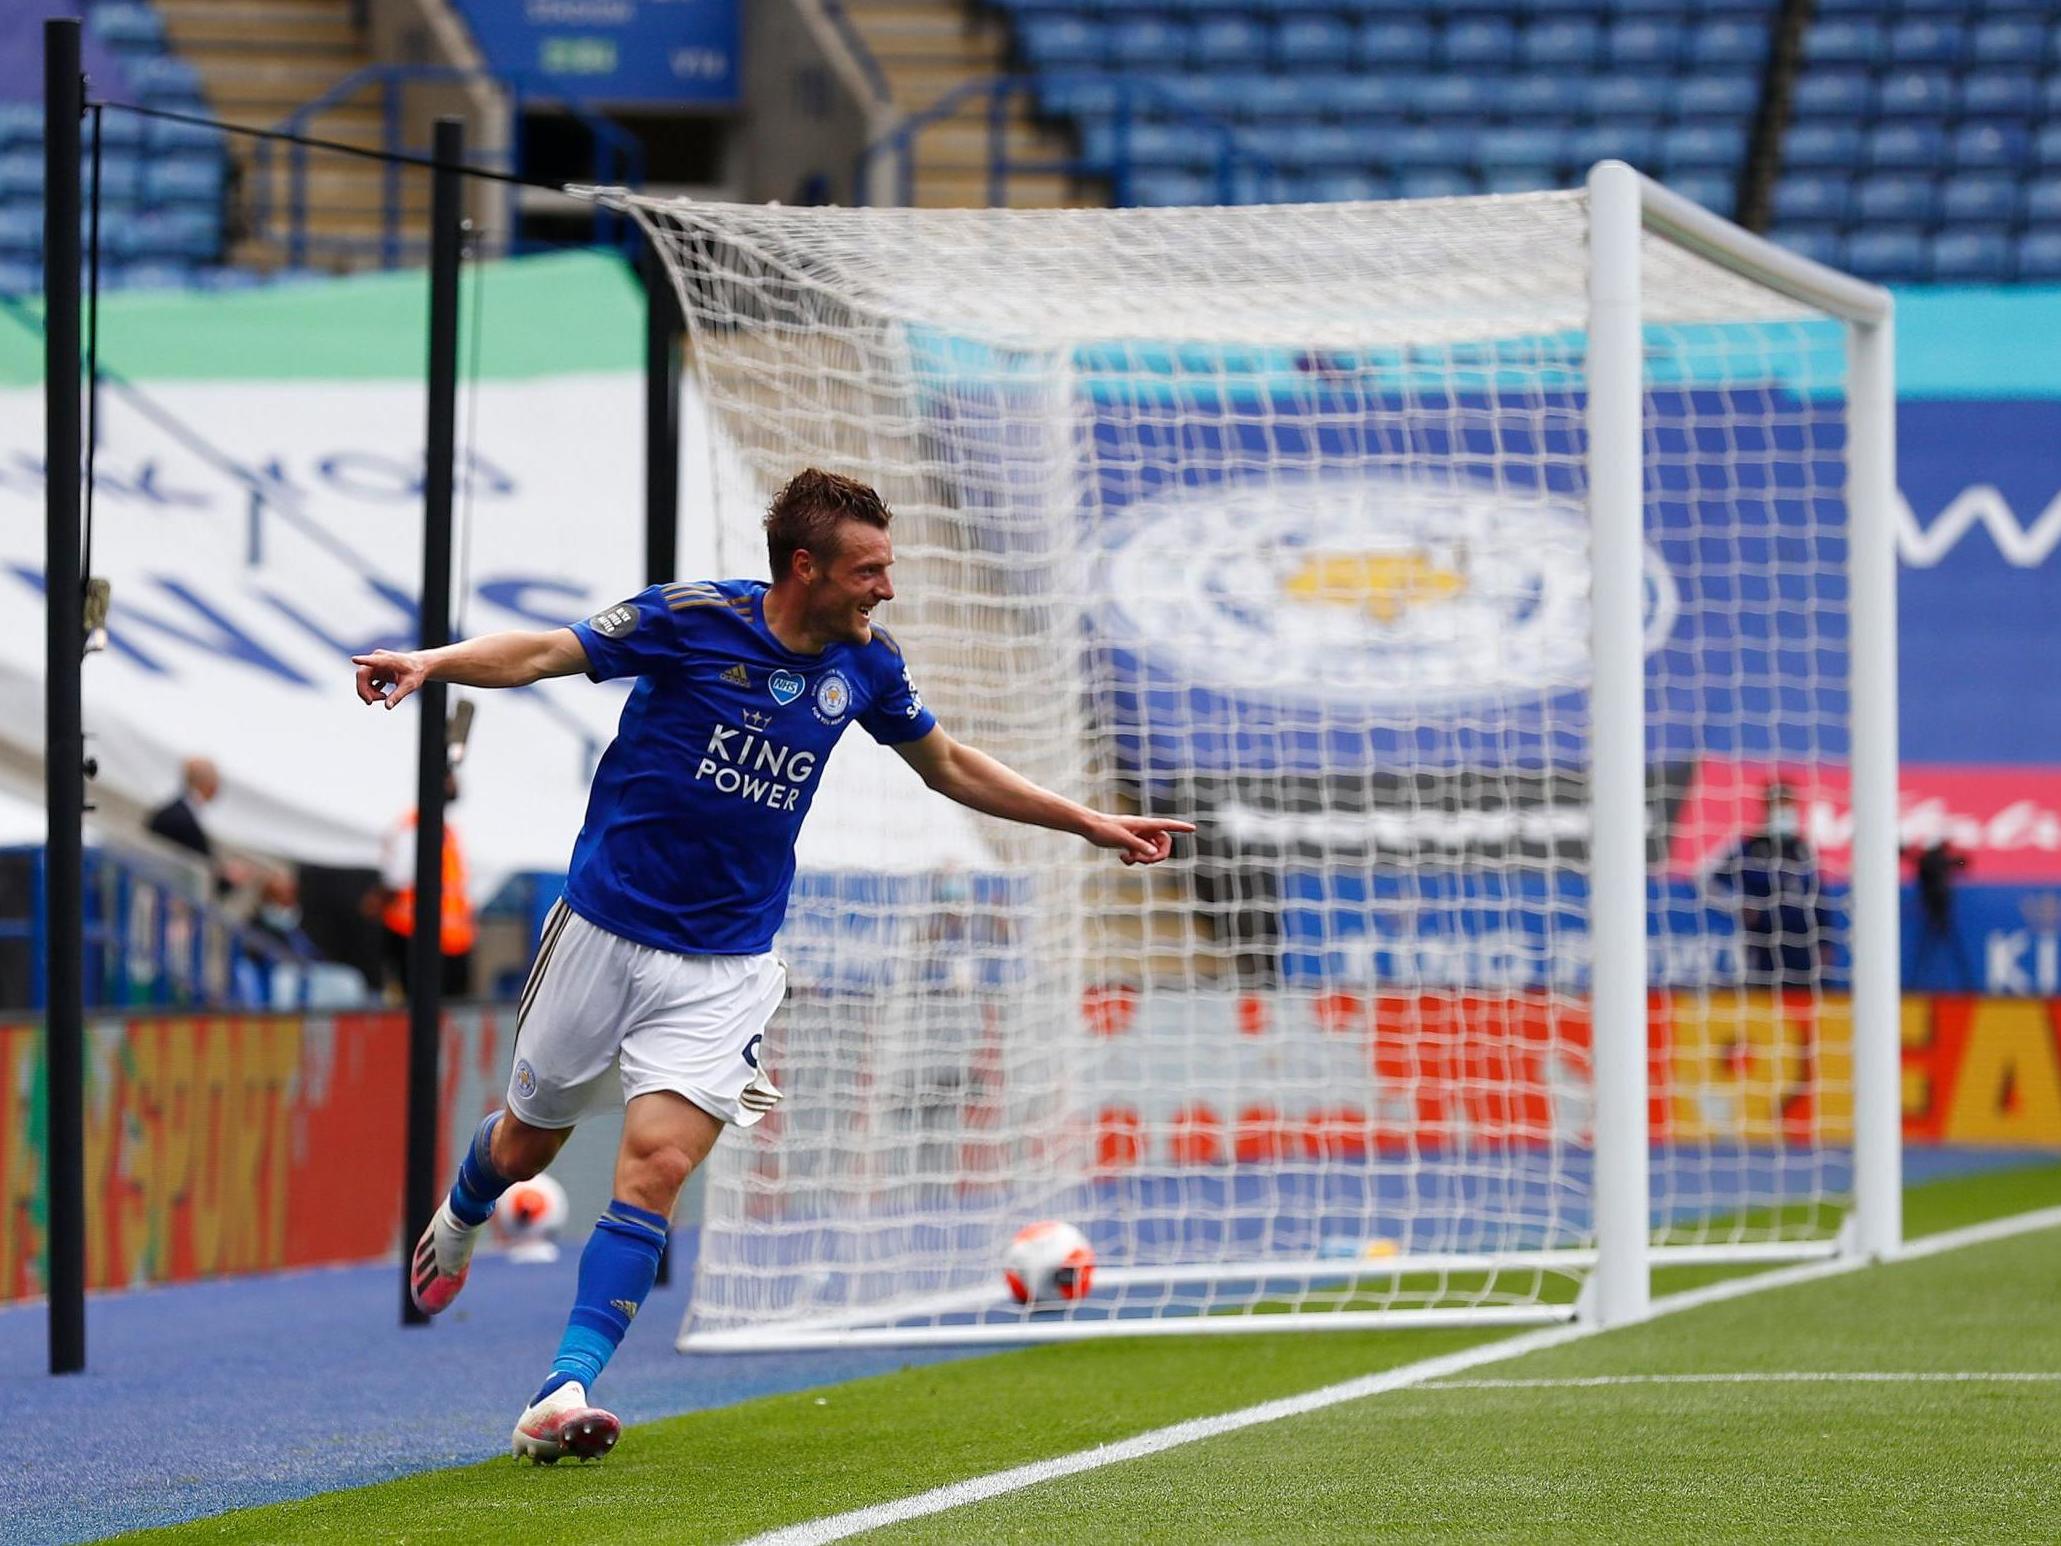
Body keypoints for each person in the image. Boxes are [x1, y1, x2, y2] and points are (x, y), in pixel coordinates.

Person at [350, 469, 1192, 1464]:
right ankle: (462, 1210)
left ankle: (562, 1385)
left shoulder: (870, 667)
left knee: (657, 1164)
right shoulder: (690, 619)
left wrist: (1085, 819)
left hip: (727, 960)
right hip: (604, 929)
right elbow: (544, 648)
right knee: (528, 1143)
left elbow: (949, 764)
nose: (887, 589)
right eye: (869, 570)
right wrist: (430, 662)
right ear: (806, 567)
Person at [1710, 782, 1830, 990]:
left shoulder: (1802, 849)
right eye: (1778, 805)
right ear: (1767, 808)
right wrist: (1737, 905)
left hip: (1803, 943)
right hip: (1764, 940)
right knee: (1764, 997)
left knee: (1804, 999)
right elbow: (1709, 880)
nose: (1784, 812)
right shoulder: (1749, 848)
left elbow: (1818, 896)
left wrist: (1826, 939)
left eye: (1788, 805)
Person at [375, 770, 476, 999]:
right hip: (419, 937)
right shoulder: (417, 827)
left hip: (449, 942)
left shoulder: (447, 830)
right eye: (447, 778)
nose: (454, 784)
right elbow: (396, 877)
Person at [1903, 838, 1975, 990]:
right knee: (1930, 946)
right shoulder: (1934, 860)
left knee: (1932, 946)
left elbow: (1962, 862)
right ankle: (1966, 984)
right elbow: (1961, 862)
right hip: (1936, 905)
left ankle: (1915, 984)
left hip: (1938, 906)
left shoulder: (1928, 860)